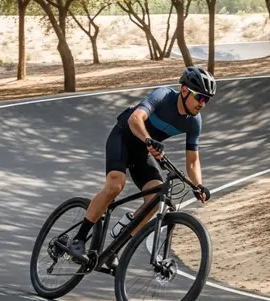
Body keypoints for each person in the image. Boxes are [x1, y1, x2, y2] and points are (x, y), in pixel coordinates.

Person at [65, 66, 216, 266]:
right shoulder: (163, 95)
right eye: (200, 97)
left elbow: (193, 159)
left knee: (154, 199)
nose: (202, 104)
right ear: (185, 90)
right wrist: (148, 140)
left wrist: (198, 185)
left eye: (207, 100)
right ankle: (79, 238)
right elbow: (135, 118)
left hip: (144, 151)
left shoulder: (194, 122)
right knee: (115, 185)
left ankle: (115, 249)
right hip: (123, 138)